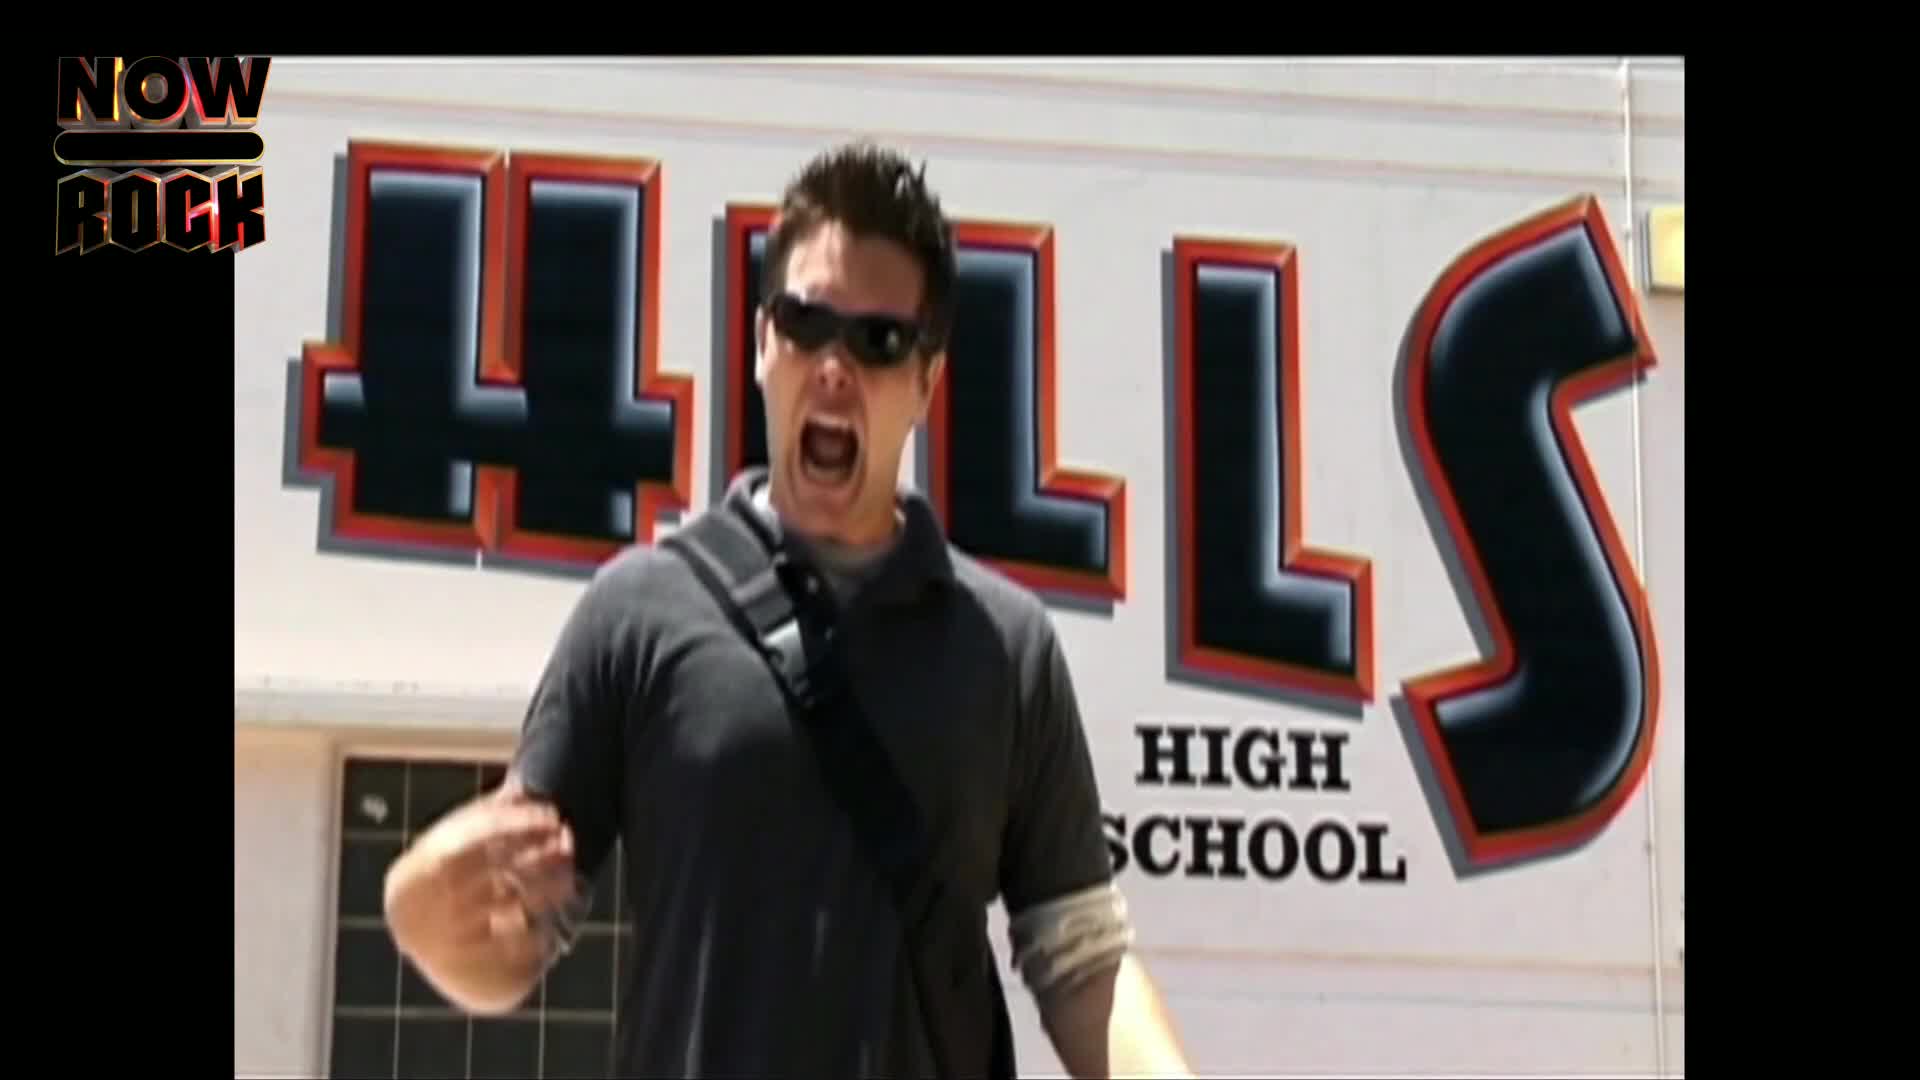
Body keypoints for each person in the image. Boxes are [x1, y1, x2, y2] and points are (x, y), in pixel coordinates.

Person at [382, 140, 1195, 1079]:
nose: (835, 367)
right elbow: (512, 933)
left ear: (926, 384)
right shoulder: (638, 612)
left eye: (879, 342)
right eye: (808, 325)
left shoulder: (1005, 648)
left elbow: (1080, 958)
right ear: (764, 343)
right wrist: (422, 913)